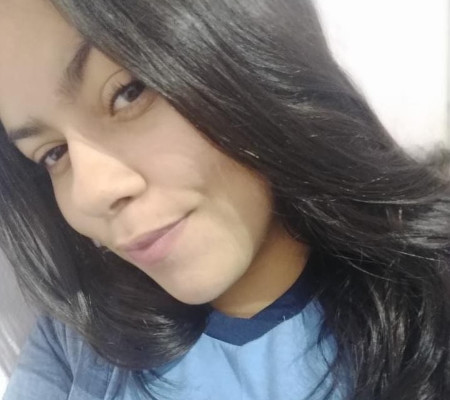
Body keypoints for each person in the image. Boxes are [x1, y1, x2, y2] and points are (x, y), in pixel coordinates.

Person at [0, 0, 449, 399]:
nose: (91, 194)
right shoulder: (77, 337)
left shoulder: (430, 297)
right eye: (53, 153)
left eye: (128, 92)